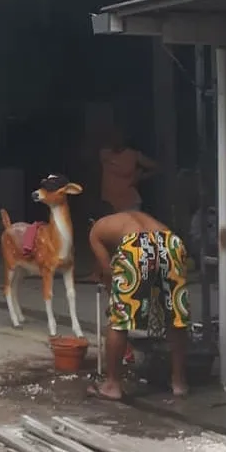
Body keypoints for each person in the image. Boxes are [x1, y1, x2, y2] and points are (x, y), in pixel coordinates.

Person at [89, 207, 190, 401]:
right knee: (176, 314)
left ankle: (112, 385)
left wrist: (114, 302)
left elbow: (107, 272)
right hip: (170, 242)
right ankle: (179, 382)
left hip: (136, 246)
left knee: (119, 319)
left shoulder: (96, 231)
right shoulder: (136, 217)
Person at [99, 129, 157, 214]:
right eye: (113, 137)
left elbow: (156, 167)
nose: (115, 139)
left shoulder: (133, 155)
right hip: (109, 205)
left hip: (129, 204)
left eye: (118, 137)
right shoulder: (104, 153)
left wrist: (140, 176)